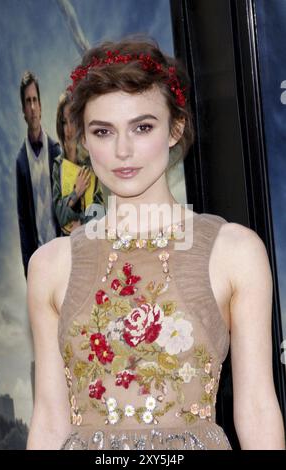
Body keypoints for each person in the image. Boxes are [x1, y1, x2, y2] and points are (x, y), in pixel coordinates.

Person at [26, 38, 285, 450]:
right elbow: (49, 418)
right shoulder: (50, 265)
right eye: (103, 131)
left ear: (175, 128)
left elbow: (256, 407)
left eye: (142, 127)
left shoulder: (235, 251)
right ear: (84, 140)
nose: (123, 150)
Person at [16, 71, 61, 278]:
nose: (32, 107)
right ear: (24, 110)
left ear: (41, 106)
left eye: (35, 100)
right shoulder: (22, 162)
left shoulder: (55, 151)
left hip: (60, 252)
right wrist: (28, 269)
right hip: (39, 260)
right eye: (28, 102)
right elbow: (23, 220)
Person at [52, 91, 105, 235]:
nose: (69, 129)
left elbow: (101, 212)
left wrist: (81, 223)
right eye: (64, 122)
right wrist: (77, 192)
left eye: (73, 121)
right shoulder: (58, 165)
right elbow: (60, 216)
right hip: (65, 242)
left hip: (92, 240)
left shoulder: (92, 162)